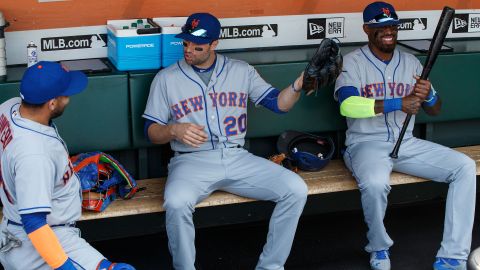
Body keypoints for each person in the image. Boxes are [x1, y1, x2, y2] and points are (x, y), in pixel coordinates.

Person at [143, 13, 308, 270]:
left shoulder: (241, 71)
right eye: (185, 43)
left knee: (296, 189)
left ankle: (271, 267)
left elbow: (278, 105)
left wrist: (297, 86)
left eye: (197, 46)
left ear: (214, 44)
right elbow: (151, 131)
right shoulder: (167, 78)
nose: (189, 50)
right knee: (176, 203)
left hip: (236, 157)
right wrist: (173, 130)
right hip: (190, 162)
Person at [334, 2, 476, 270]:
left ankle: (452, 256)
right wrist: (398, 102)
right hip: (366, 145)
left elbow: (434, 110)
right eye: (380, 27)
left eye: (391, 26)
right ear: (367, 29)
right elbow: (347, 105)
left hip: (406, 143)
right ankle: (378, 248)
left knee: (464, 167)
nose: (387, 31)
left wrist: (429, 94)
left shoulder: (411, 62)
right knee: (375, 184)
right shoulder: (351, 62)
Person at [0, 61, 135, 270]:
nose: (69, 98)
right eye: (65, 94)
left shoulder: (9, 108)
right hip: (40, 243)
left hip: (13, 231)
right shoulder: (35, 154)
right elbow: (34, 223)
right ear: (51, 103)